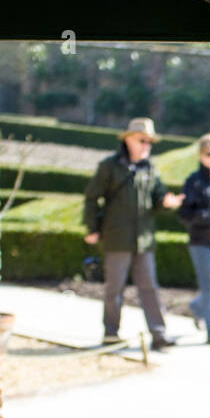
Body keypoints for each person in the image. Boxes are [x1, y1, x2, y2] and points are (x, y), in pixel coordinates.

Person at [82, 117, 178, 349]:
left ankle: (159, 334)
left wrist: (167, 202)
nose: (146, 145)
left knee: (149, 289)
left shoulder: (150, 168)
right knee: (114, 290)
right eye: (142, 140)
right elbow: (92, 197)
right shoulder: (109, 166)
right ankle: (111, 334)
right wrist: (92, 228)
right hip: (117, 238)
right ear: (128, 140)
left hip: (143, 240)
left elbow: (157, 199)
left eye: (149, 141)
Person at [170, 133, 210, 344]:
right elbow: (184, 215)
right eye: (208, 153)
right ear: (200, 155)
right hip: (200, 242)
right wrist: (208, 215)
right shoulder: (194, 181)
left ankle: (196, 306)